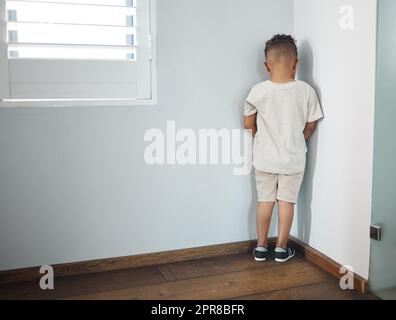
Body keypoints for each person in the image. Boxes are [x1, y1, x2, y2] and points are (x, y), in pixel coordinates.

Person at [244, 34, 323, 263]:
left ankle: (260, 247)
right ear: (296, 64)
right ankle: (281, 248)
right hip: (293, 159)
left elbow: (248, 124)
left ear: (266, 65)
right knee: (287, 201)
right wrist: (300, 139)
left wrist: (259, 135)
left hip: (264, 159)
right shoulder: (306, 91)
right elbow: (311, 125)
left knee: (264, 200)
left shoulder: (258, 91)